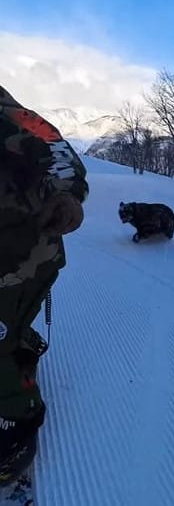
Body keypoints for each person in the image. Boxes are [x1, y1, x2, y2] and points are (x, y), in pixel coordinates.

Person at [0, 85, 88, 484]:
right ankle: (20, 342)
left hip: (20, 259)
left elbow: (54, 147)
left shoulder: (6, 111)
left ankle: (15, 433)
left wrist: (66, 197)